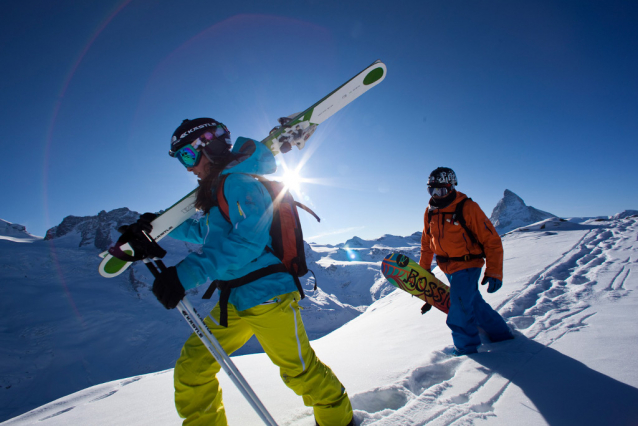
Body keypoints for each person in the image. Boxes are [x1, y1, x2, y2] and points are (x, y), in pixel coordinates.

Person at [135, 118, 354, 426]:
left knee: (300, 372)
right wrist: (159, 224)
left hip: (268, 297)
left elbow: (248, 241)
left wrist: (185, 274)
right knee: (193, 367)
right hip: (235, 300)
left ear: (208, 147)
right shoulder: (219, 190)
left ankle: (338, 421)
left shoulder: (238, 182)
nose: (187, 168)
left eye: (187, 156)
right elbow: (206, 233)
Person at [419, 167, 513, 356]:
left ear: (452, 187)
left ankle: (466, 351)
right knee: (473, 304)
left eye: (441, 190)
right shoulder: (430, 211)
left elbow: (492, 240)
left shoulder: (467, 207)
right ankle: (501, 334)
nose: (437, 195)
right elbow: (427, 243)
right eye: (432, 190)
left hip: (468, 265)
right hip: (447, 266)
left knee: (459, 311)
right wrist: (424, 269)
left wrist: (494, 271)